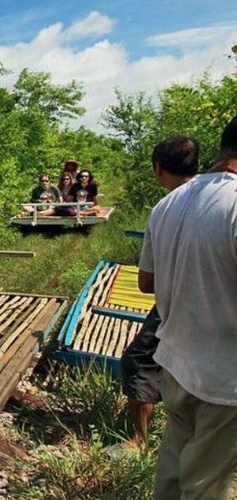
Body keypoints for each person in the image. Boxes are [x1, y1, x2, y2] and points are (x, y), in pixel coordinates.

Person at [139, 118, 237, 499]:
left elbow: (147, 282)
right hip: (223, 376)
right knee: (208, 484)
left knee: (175, 466)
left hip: (177, 360)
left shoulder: (168, 203)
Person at [119, 136, 198, 452]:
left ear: (158, 169)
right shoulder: (225, 198)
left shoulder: (166, 208)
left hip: (180, 305)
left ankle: (140, 440)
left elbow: (146, 283)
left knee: (139, 361)